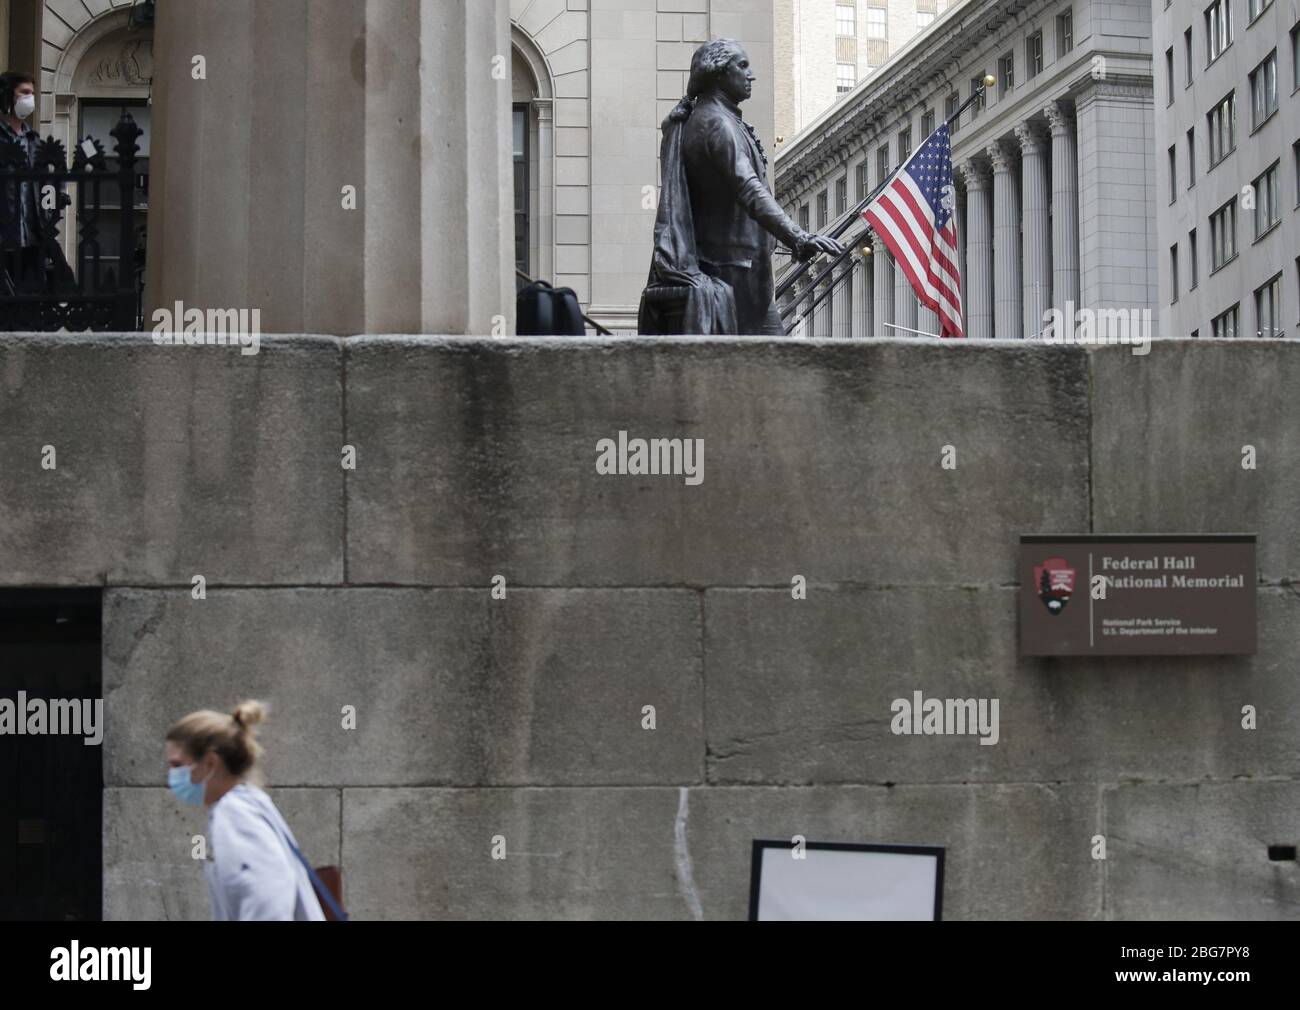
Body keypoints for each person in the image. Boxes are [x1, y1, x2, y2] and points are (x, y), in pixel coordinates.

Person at [644, 39, 842, 335]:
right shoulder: (716, 124)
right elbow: (750, 189)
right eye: (743, 65)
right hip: (732, 275)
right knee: (764, 369)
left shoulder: (714, 120)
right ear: (719, 73)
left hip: (739, 274)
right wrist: (797, 237)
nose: (751, 75)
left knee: (764, 371)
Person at [164, 700, 326, 921]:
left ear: (210, 763)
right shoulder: (250, 803)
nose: (173, 776)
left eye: (177, 765)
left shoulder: (234, 813)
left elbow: (268, 895)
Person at [0, 70, 45, 295]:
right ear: (9, 96)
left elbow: (47, 183)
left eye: (32, 93)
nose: (30, 99)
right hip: (5, 236)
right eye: (24, 92)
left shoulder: (34, 140)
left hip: (32, 238)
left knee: (30, 305)